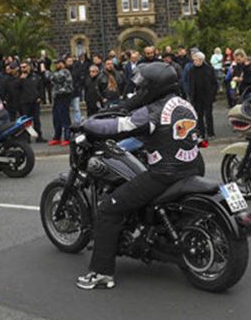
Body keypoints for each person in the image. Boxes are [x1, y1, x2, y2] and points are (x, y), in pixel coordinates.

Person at [76, 62, 204, 290]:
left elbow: (119, 127)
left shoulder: (153, 112)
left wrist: (88, 123)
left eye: (144, 87)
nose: (140, 90)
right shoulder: (185, 104)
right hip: (193, 167)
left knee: (108, 208)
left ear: (154, 87)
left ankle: (101, 273)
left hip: (164, 174)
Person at [187, 51, 217, 140]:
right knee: (199, 115)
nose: (194, 62)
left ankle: (211, 133)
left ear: (201, 60)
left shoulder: (209, 69)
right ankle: (201, 133)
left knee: (208, 115)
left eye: (196, 60)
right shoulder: (191, 70)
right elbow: (190, 83)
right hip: (197, 96)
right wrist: (191, 95)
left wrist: (213, 94)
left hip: (207, 95)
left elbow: (214, 83)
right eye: (194, 60)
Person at [17, 61, 45, 142]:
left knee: (37, 120)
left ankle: (39, 136)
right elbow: (16, 89)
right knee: (26, 121)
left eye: (25, 67)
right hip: (24, 102)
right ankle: (27, 137)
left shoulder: (35, 76)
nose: (23, 69)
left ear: (29, 67)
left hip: (35, 101)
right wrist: (21, 80)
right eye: (22, 67)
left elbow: (41, 87)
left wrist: (40, 97)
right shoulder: (19, 77)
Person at [49, 59, 74, 146]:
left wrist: (46, 71)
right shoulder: (56, 72)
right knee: (56, 118)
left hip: (64, 97)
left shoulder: (65, 72)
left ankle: (67, 137)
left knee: (64, 118)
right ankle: (57, 137)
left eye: (59, 63)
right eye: (56, 64)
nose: (57, 65)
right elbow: (50, 79)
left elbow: (67, 85)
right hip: (56, 98)